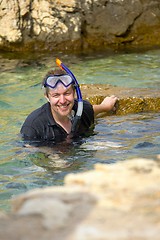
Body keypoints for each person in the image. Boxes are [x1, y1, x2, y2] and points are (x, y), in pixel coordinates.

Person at [20, 67, 117, 144]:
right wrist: (51, 154)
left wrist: (105, 107)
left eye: (67, 93)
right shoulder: (34, 126)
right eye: (56, 95)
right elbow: (27, 150)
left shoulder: (82, 109)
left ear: (74, 93)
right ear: (47, 97)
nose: (62, 101)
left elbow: (92, 110)